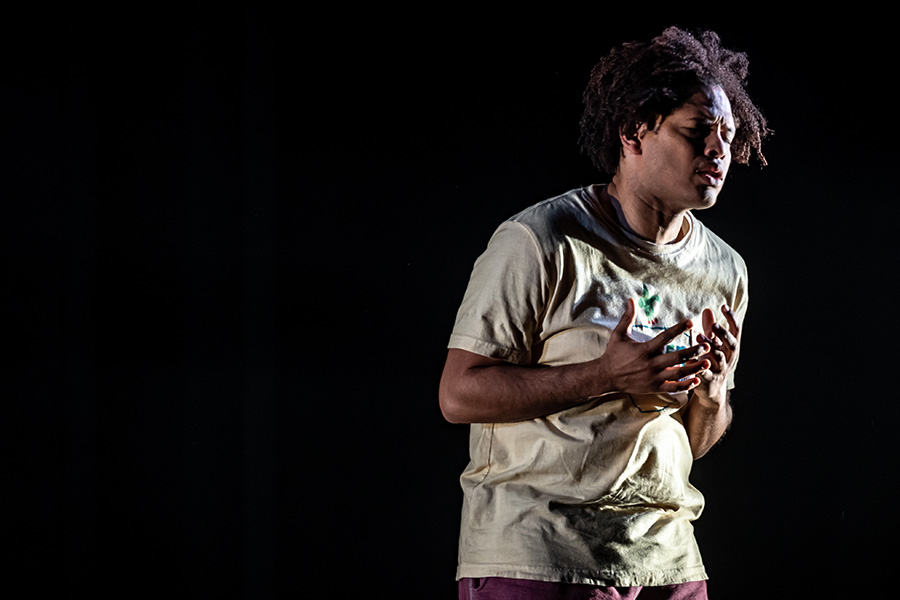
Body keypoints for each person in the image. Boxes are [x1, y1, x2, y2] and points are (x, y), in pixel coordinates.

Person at [439, 27, 769, 600]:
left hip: (664, 557)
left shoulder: (725, 270)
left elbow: (690, 442)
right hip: (540, 553)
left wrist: (714, 398)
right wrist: (604, 376)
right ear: (633, 132)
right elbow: (458, 395)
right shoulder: (541, 240)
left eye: (729, 137)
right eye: (698, 132)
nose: (719, 152)